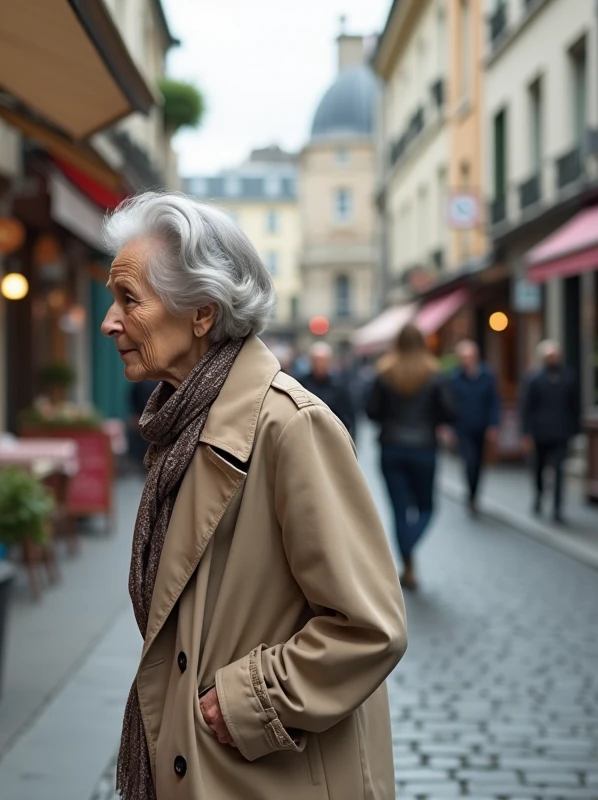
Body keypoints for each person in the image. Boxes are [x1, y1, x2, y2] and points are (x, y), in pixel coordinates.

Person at [100, 191, 406, 800]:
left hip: (265, 773)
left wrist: (248, 702)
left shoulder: (291, 426)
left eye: (129, 300)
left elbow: (371, 626)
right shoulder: (179, 424)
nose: (110, 321)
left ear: (202, 313)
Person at [365, 324, 456, 590]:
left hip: (391, 447)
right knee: (427, 508)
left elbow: (371, 410)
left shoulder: (385, 372)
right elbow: (450, 411)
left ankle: (407, 562)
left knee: (399, 509)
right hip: (424, 448)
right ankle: (408, 558)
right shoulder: (434, 373)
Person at [519, 340, 580, 523]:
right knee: (538, 468)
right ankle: (538, 495)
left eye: (555, 355)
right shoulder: (534, 378)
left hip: (561, 432)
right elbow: (526, 408)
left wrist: (574, 429)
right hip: (540, 433)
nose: (553, 359)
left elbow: (574, 406)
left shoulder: (568, 377)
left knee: (560, 470)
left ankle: (557, 508)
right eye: (549, 356)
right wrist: (526, 433)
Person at [448, 340, 501, 516]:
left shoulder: (487, 375)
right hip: (463, 428)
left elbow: (494, 401)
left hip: (481, 426)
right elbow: (450, 403)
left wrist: (493, 424)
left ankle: (474, 494)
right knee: (469, 461)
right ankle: (471, 496)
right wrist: (449, 427)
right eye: (463, 357)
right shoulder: (454, 377)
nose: (466, 360)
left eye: (469, 357)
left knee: (478, 463)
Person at [299, 341, 357, 435]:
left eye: (323, 361)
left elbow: (348, 416)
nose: (319, 365)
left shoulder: (339, 385)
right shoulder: (301, 383)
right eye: (316, 361)